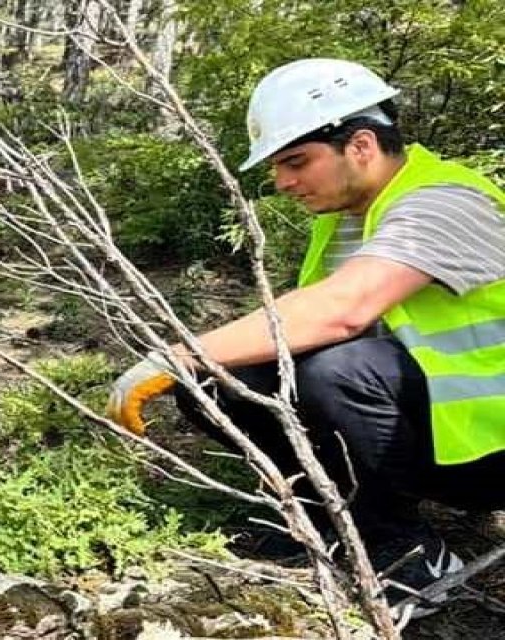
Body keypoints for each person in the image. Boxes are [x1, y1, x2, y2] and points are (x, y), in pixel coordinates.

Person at [106, 58, 505, 619]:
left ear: (361, 145)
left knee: (337, 367)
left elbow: (341, 314)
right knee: (220, 381)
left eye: (296, 161)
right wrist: (195, 367)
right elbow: (293, 330)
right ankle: (326, 515)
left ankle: (409, 552)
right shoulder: (347, 218)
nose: (283, 181)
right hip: (434, 436)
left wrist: (172, 355)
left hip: (488, 453)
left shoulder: (445, 201)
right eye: (277, 166)